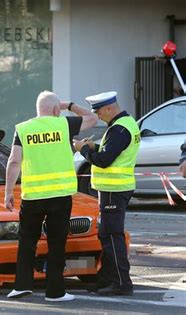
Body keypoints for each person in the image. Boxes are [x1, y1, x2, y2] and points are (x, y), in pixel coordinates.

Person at [5, 91, 98, 302]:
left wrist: (8, 192)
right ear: (56, 110)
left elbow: (13, 162)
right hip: (59, 195)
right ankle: (55, 292)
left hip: (32, 196)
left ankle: (21, 286)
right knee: (57, 243)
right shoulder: (64, 125)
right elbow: (94, 118)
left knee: (27, 241)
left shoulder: (24, 128)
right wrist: (71, 105)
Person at [73, 91, 140, 296]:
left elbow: (104, 161)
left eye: (100, 112)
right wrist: (96, 146)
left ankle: (120, 282)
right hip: (115, 189)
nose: (98, 116)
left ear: (110, 109)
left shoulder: (119, 129)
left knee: (112, 237)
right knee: (107, 235)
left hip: (114, 190)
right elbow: (112, 151)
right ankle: (106, 279)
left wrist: (83, 150)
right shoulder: (126, 123)